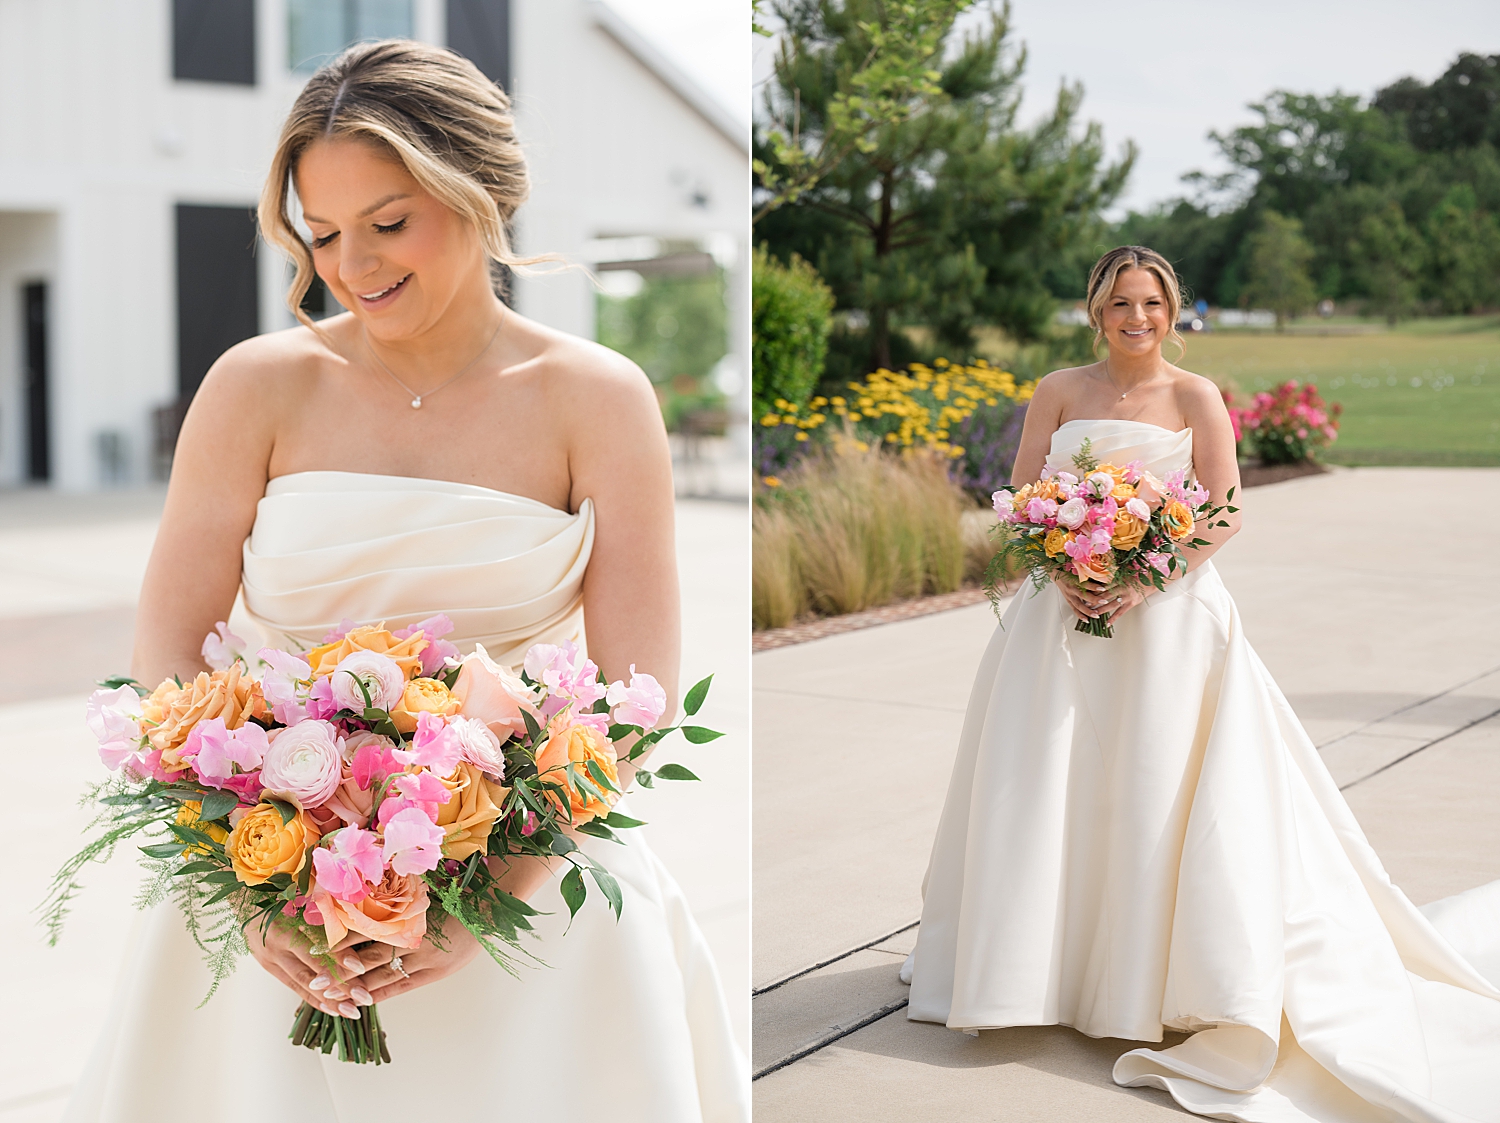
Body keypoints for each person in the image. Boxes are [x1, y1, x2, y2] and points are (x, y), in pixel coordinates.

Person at [65, 40, 748, 1122]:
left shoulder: (599, 400)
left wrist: (490, 904)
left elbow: (632, 698)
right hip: (270, 903)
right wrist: (252, 884)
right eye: (321, 234)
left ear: (484, 196)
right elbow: (165, 663)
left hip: (530, 886)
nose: (353, 265)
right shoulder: (255, 388)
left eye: (390, 224)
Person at [900, 245, 1500, 1121]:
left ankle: (1141, 982)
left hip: (1170, 618)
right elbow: (1025, 491)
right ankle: (1033, 967)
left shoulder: (1196, 396)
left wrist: (1144, 574)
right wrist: (1059, 556)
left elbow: (1222, 507)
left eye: (1151, 302)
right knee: (1043, 785)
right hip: (1058, 615)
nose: (1135, 317)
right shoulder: (1058, 390)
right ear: (1094, 309)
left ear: (1172, 310)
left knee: (1152, 793)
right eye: (1119, 303)